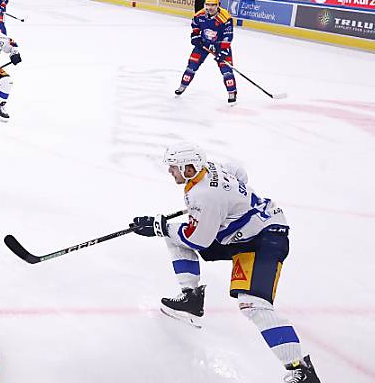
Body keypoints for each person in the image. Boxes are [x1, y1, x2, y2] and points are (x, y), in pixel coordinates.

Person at [130, 143, 320, 383]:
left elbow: (199, 239)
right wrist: (225, 207)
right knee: (174, 236)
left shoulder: (205, 195)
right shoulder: (208, 170)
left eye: (174, 167)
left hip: (266, 238)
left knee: (253, 305)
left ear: (189, 168)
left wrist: (159, 226)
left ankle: (300, 371)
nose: (170, 171)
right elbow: (239, 173)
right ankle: (191, 299)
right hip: (247, 232)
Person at [175, 0, 237, 104]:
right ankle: (182, 86)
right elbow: (195, 27)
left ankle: (232, 92)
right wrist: (195, 37)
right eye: (208, 5)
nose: (210, 8)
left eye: (213, 5)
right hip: (203, 43)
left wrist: (223, 51)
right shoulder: (199, 15)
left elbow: (228, 36)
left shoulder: (225, 17)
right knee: (191, 66)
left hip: (220, 45)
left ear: (218, 6)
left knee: (226, 70)